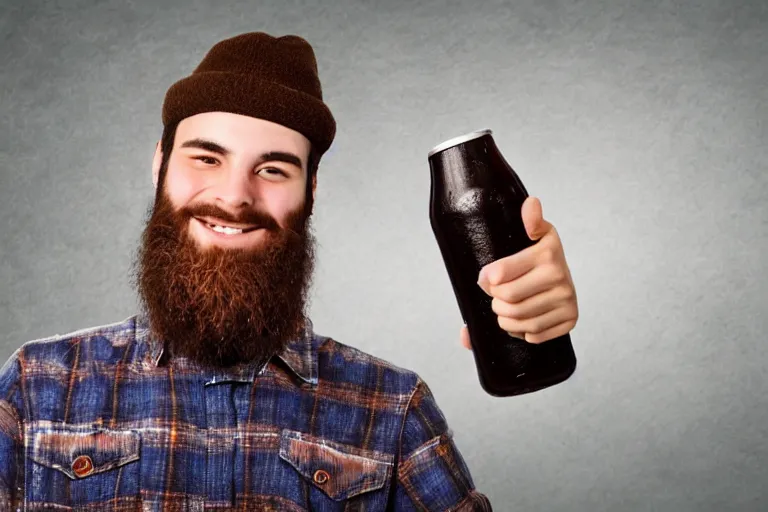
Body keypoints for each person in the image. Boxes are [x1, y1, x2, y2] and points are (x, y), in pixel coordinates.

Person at [0, 32, 578, 510]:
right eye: (206, 157)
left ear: (310, 191)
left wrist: (533, 335)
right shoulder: (36, 387)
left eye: (273, 169)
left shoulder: (393, 413)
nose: (234, 196)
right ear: (159, 163)